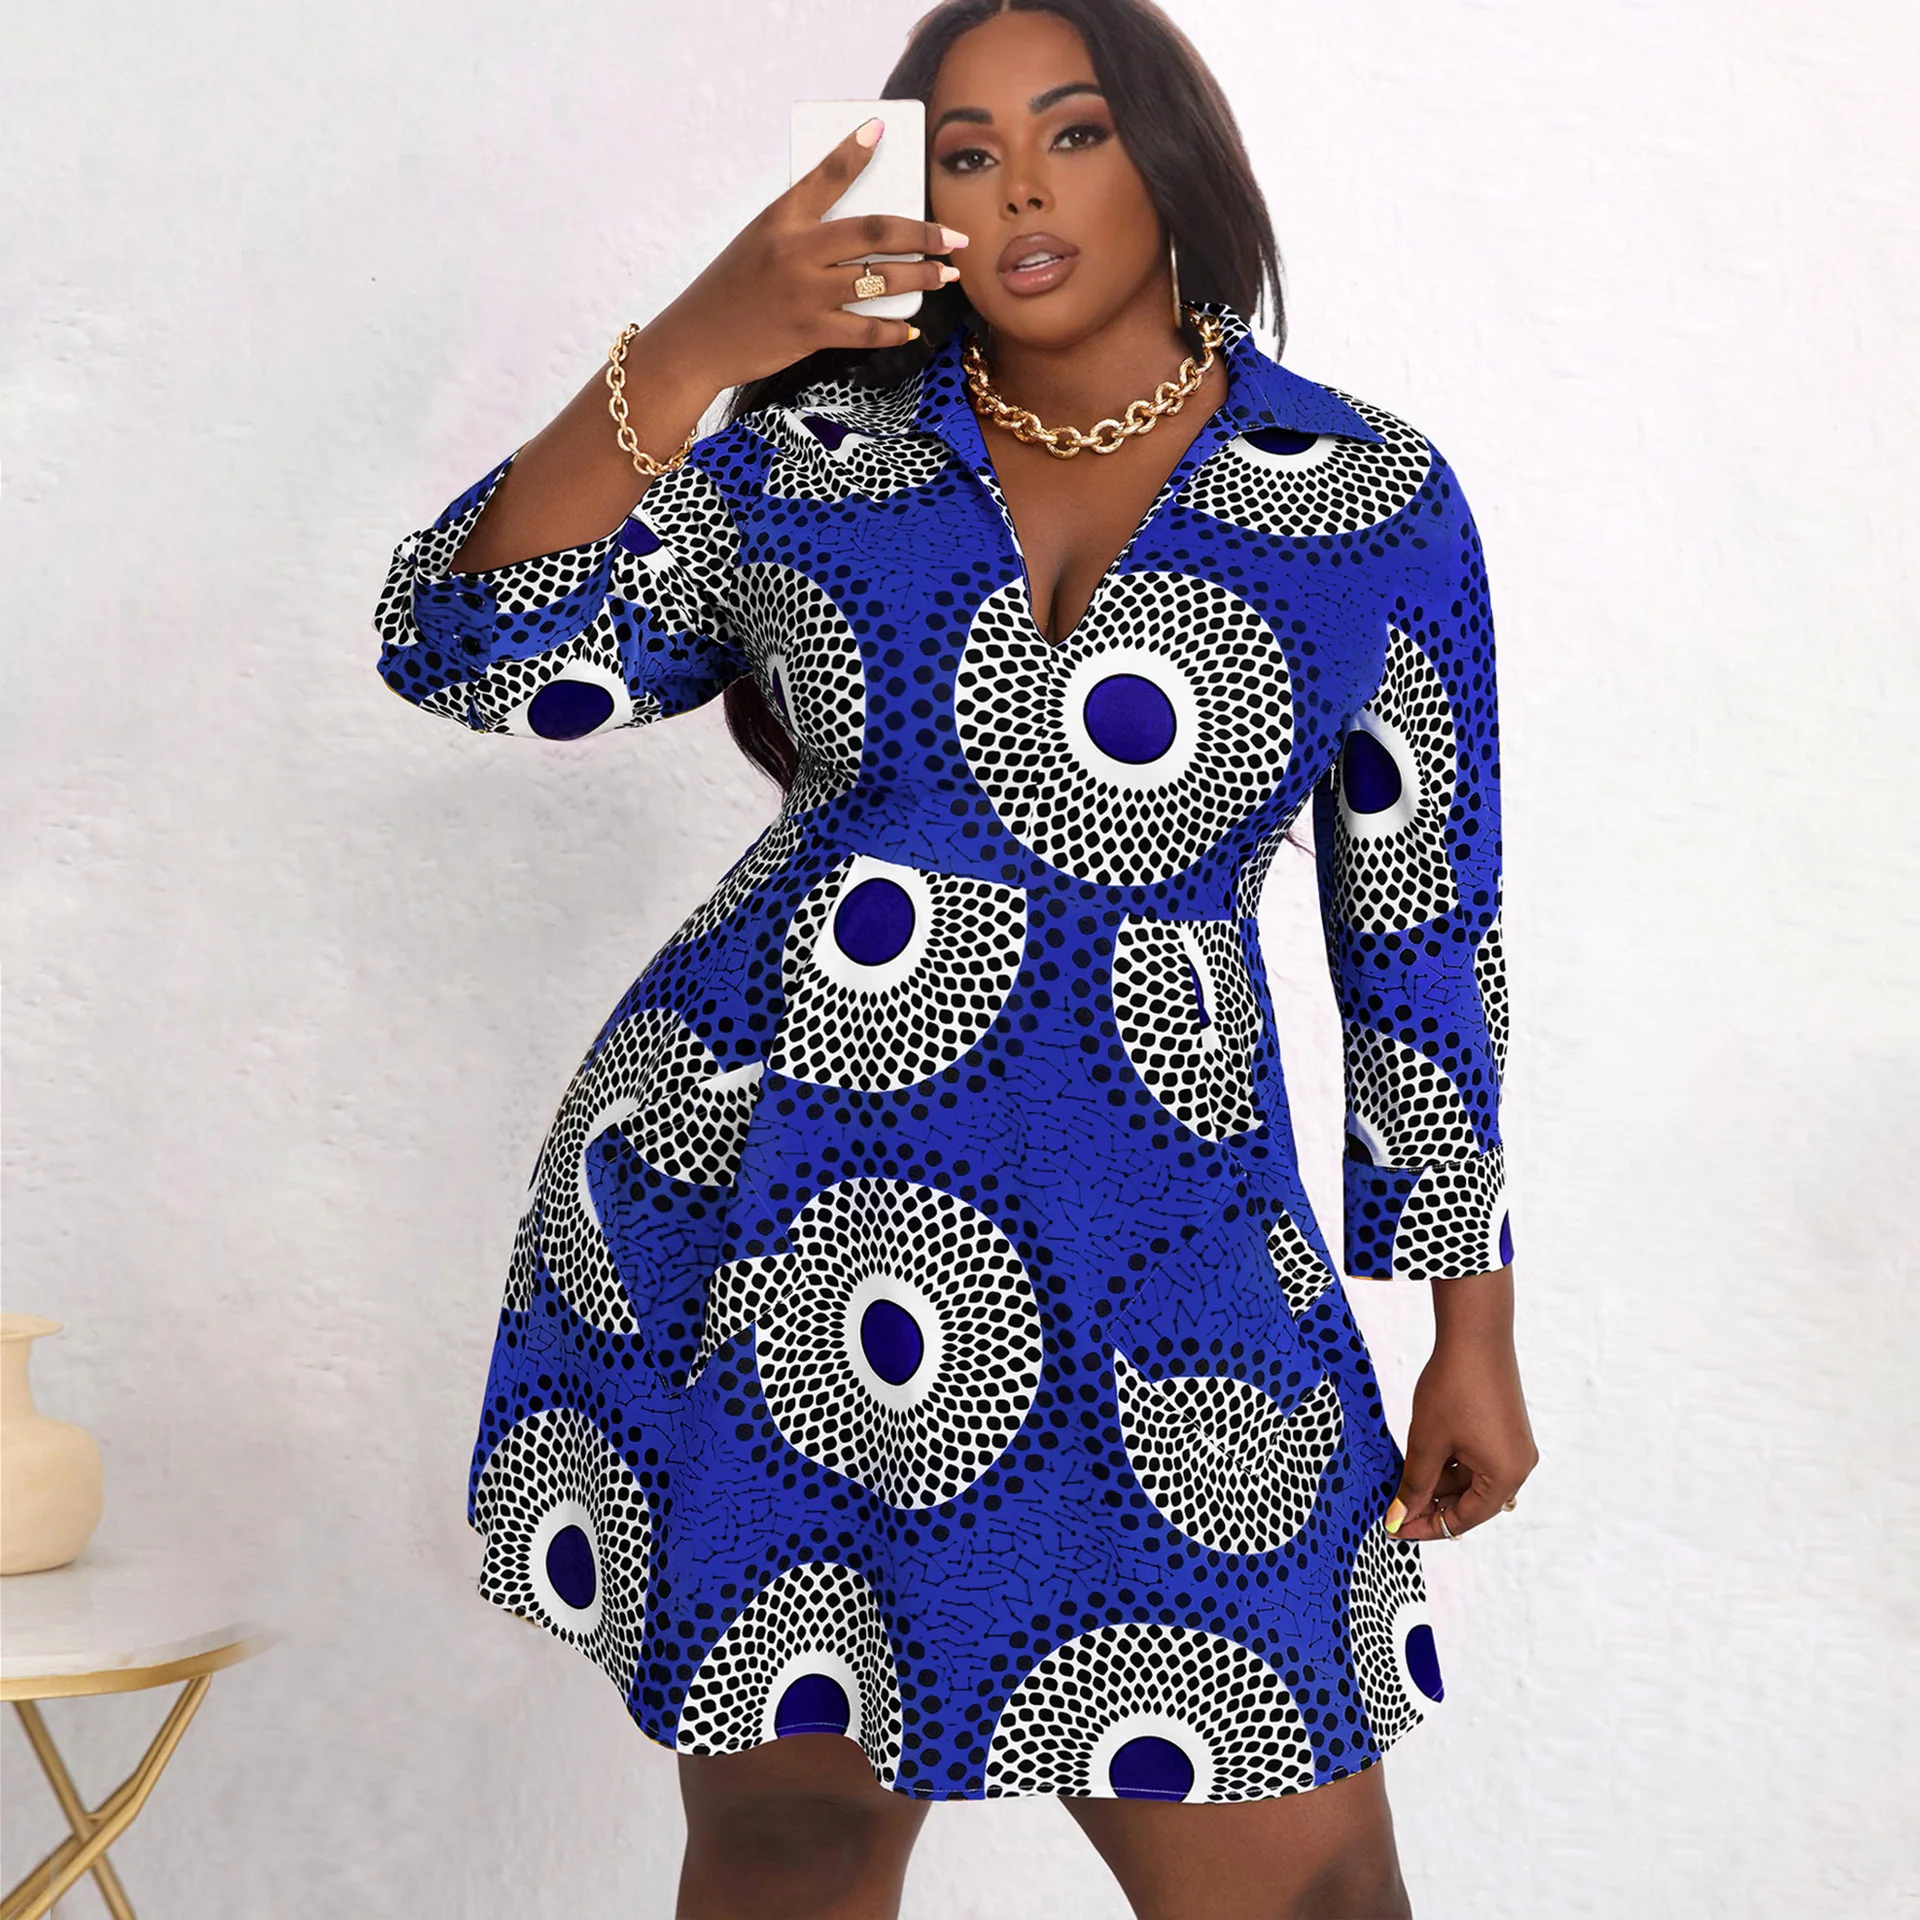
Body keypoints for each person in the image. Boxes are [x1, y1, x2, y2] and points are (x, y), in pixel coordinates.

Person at [375, 1, 1537, 1913]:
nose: (1019, 194)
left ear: (1172, 156)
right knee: (792, 1832)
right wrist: (699, 344)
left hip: (1162, 1238)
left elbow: (1422, 928)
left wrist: (1467, 1327)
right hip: (777, 1198)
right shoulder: (810, 454)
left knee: (1306, 1876)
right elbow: (469, 646)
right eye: (968, 153)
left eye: (1072, 136)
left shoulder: (1363, 498)